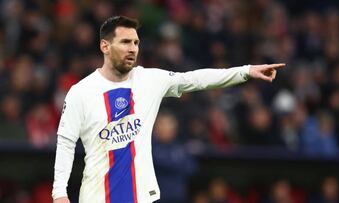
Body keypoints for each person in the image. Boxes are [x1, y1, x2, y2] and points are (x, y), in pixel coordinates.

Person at [52, 15, 285, 203]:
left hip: (142, 197)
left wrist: (245, 71)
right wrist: (59, 193)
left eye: (136, 43)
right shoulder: (81, 92)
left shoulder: (149, 80)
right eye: (125, 42)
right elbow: (65, 143)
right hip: (97, 198)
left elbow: (195, 79)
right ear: (105, 45)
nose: (133, 48)